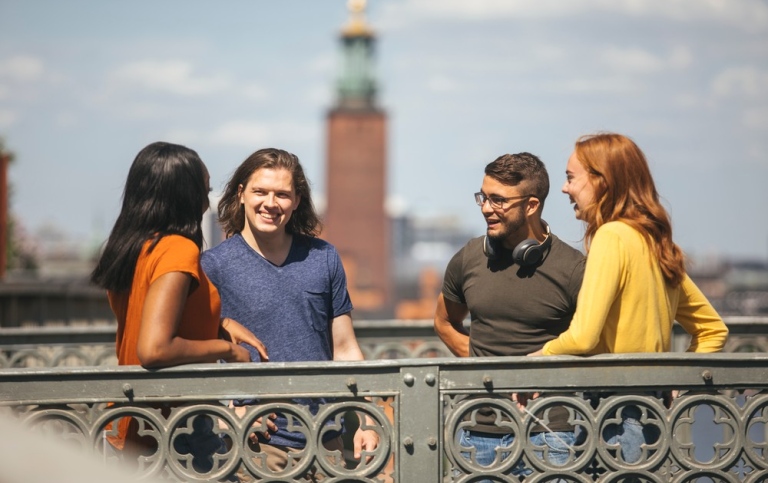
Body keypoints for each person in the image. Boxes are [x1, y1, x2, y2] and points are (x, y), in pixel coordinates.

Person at [529, 132, 729, 463]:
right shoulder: (654, 241)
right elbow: (713, 330)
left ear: (601, 180)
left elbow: (583, 336)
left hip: (613, 415)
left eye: (570, 178)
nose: (565, 189)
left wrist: (536, 360)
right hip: (650, 417)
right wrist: (676, 379)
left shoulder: (611, 236)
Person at [200, 147, 379, 480]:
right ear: (241, 195)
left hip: (327, 441)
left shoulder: (324, 258)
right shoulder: (214, 266)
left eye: (282, 194)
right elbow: (202, 354)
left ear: (297, 201)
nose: (271, 203)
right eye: (260, 192)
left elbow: (345, 348)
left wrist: (366, 417)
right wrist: (229, 410)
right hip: (255, 446)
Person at [90, 142, 267, 475]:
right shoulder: (177, 250)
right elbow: (154, 348)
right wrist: (228, 350)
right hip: (172, 429)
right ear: (184, 194)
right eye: (205, 188)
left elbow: (150, 314)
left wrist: (221, 323)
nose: (207, 200)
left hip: (127, 421)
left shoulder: (134, 248)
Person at [434, 152, 586, 480]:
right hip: (478, 433)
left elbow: (595, 340)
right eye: (483, 198)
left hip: (552, 433)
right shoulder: (468, 258)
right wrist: (480, 360)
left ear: (531, 205)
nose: (487, 208)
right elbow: (444, 321)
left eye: (498, 200)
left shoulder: (573, 269)